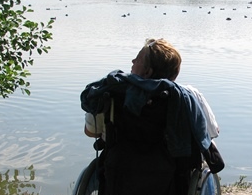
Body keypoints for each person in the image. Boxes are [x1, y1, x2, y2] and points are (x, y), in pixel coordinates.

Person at [84, 38, 219, 141]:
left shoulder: (112, 92)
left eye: (137, 59)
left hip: (121, 173)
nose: (132, 61)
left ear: (147, 72)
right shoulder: (190, 95)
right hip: (177, 176)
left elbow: (91, 132)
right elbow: (212, 133)